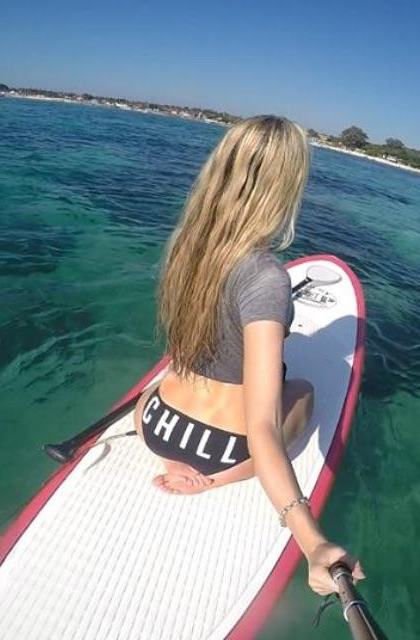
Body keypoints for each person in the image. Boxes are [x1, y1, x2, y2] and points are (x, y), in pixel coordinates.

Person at [133, 115, 364, 595]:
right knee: (301, 390)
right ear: (285, 188)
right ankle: (212, 482)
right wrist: (313, 543)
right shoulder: (266, 278)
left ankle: (176, 460)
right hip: (220, 453)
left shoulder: (187, 246)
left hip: (154, 421)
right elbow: (262, 426)